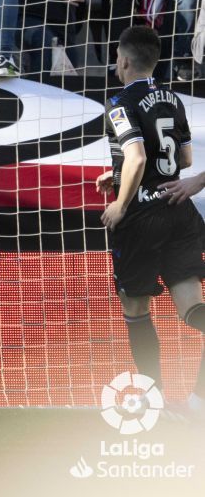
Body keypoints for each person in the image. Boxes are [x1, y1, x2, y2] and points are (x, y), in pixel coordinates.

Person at [95, 25, 205, 418]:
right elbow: (185, 161)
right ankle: (199, 402)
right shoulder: (173, 99)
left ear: (123, 60)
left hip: (142, 216)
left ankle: (155, 402)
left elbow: (139, 158)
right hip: (179, 211)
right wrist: (122, 171)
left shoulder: (120, 102)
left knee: (136, 307)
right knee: (193, 309)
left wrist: (121, 202)